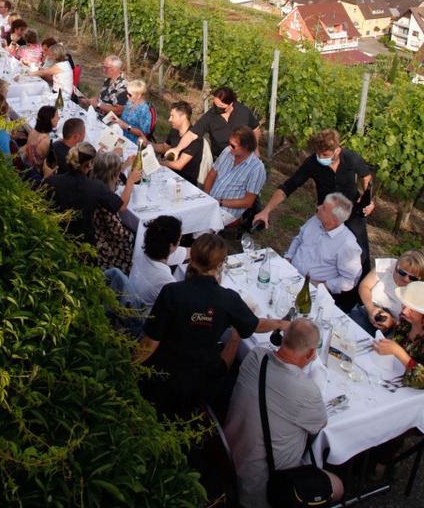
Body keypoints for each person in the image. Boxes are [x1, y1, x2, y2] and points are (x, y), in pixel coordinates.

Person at [135, 233, 289, 418]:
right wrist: (280, 323)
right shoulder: (227, 299)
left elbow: (149, 344)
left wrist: (128, 368)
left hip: (162, 373)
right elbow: (256, 325)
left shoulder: (172, 292)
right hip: (198, 381)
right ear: (219, 266)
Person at [225, 319, 344, 508]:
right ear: (312, 353)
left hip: (229, 458)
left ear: (283, 338)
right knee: (337, 486)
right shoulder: (307, 390)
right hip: (264, 486)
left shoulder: (256, 355)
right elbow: (320, 425)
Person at [254, 128, 373, 276]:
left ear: (337, 150)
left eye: (325, 155)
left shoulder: (351, 158)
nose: (320, 157)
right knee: (319, 251)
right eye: (318, 153)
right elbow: (289, 186)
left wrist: (368, 199)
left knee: (360, 254)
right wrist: (266, 211)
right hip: (326, 213)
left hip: (353, 212)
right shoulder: (312, 163)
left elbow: (367, 177)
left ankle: (360, 292)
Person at [45, 142, 134, 247]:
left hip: (53, 236)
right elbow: (122, 207)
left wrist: (46, 177)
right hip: (82, 244)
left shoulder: (52, 180)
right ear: (90, 164)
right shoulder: (95, 187)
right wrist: (131, 180)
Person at [285, 193, 362, 296]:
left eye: (324, 208)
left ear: (335, 221)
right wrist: (288, 258)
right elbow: (299, 239)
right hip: (288, 271)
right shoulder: (316, 220)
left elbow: (350, 279)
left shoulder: (347, 245)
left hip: (307, 290)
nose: (318, 207)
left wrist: (325, 286)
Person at [170, 86, 260, 160]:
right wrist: (178, 149)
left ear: (231, 104)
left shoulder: (243, 112)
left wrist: (255, 149)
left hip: (242, 157)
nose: (217, 108)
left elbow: (255, 129)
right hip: (219, 158)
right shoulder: (210, 116)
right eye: (215, 104)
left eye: (221, 106)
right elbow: (192, 134)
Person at [350, 250, 424, 337]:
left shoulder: (419, 292)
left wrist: (392, 322)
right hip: (365, 312)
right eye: (402, 273)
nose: (406, 279)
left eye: (413, 277)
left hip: (393, 330)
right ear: (396, 266)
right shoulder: (387, 266)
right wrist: (371, 309)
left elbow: (414, 326)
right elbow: (364, 286)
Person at [204, 126, 266, 226]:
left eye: (233, 146)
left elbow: (248, 202)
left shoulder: (257, 169)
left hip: (227, 210)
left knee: (202, 225)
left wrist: (220, 202)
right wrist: (206, 196)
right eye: (229, 143)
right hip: (210, 200)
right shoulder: (227, 152)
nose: (229, 147)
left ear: (246, 147)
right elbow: (212, 174)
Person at [91, 151, 139, 275]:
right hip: (107, 250)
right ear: (113, 175)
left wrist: (124, 166)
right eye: (117, 174)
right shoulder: (105, 196)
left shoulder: (94, 182)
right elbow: (122, 208)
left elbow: (116, 181)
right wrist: (130, 180)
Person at [372, 281, 424, 388]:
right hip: (393, 376)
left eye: (412, 310)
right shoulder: (407, 321)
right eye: (404, 305)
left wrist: (399, 352)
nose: (405, 311)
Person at [129, 215, 188, 308]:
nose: (179, 243)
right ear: (171, 246)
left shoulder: (144, 253)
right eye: (179, 240)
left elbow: (182, 253)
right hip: (146, 318)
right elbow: (180, 307)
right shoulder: (166, 280)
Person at [152, 101, 204, 187]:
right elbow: (165, 147)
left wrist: (158, 162)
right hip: (168, 174)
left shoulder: (195, 138)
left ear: (183, 117)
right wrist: (147, 144)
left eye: (173, 116)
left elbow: (179, 165)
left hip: (184, 182)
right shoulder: (174, 131)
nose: (169, 119)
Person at [23, 106, 58, 173]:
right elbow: (51, 164)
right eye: (57, 116)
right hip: (37, 174)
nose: (58, 118)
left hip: (28, 166)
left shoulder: (33, 132)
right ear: (50, 119)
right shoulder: (45, 141)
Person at [117, 80, 152, 144]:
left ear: (139, 95)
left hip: (131, 140)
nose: (127, 96)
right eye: (127, 93)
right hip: (120, 132)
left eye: (130, 94)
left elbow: (143, 134)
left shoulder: (144, 111)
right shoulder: (130, 102)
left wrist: (126, 127)